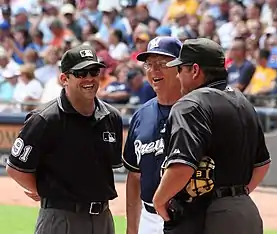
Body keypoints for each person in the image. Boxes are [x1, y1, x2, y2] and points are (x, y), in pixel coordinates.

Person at [153, 38, 271, 234]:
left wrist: (159, 200)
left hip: (207, 215)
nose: (178, 75)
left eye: (181, 69)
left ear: (195, 70)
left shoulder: (190, 104)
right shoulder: (244, 102)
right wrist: (236, 194)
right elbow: (262, 164)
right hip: (245, 211)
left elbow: (182, 166)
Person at [6, 44, 123, 234]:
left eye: (93, 71)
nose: (89, 79)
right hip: (61, 218)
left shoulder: (111, 117)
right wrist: (44, 190)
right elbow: (15, 168)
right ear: (64, 78)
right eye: (80, 73)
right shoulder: (44, 119)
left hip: (103, 219)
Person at [122, 36, 182, 234]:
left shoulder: (197, 111)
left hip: (188, 218)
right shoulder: (141, 115)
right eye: (149, 64)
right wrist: (132, 229)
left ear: (180, 67)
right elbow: (134, 176)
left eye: (162, 63)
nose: (154, 70)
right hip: (148, 219)